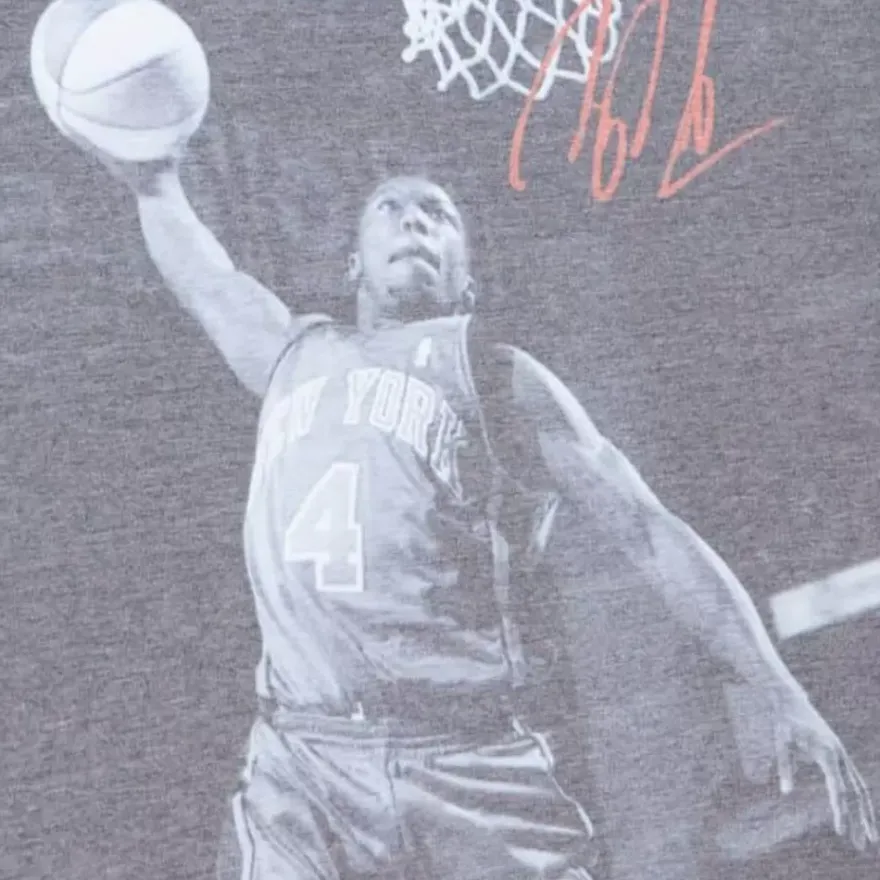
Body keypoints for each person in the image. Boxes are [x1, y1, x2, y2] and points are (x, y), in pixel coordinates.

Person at [80, 136, 876, 878]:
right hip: (305, 756)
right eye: (391, 209)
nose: (415, 221)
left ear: (469, 280)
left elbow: (648, 529)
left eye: (439, 213)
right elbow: (207, 277)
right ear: (352, 263)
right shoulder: (292, 352)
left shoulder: (495, 374)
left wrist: (777, 684)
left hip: (469, 759)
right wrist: (152, 178)